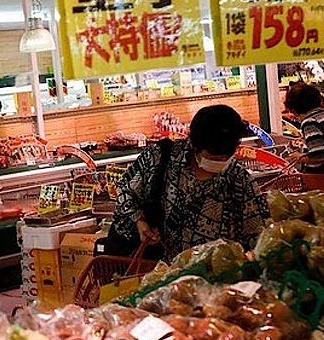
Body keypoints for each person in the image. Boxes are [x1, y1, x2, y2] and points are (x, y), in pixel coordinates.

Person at [107, 105, 269, 260]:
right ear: (193, 144)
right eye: (213, 158)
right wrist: (140, 222)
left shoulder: (237, 178)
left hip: (214, 276)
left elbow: (256, 229)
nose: (221, 162)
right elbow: (125, 190)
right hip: (158, 270)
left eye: (226, 157)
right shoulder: (160, 158)